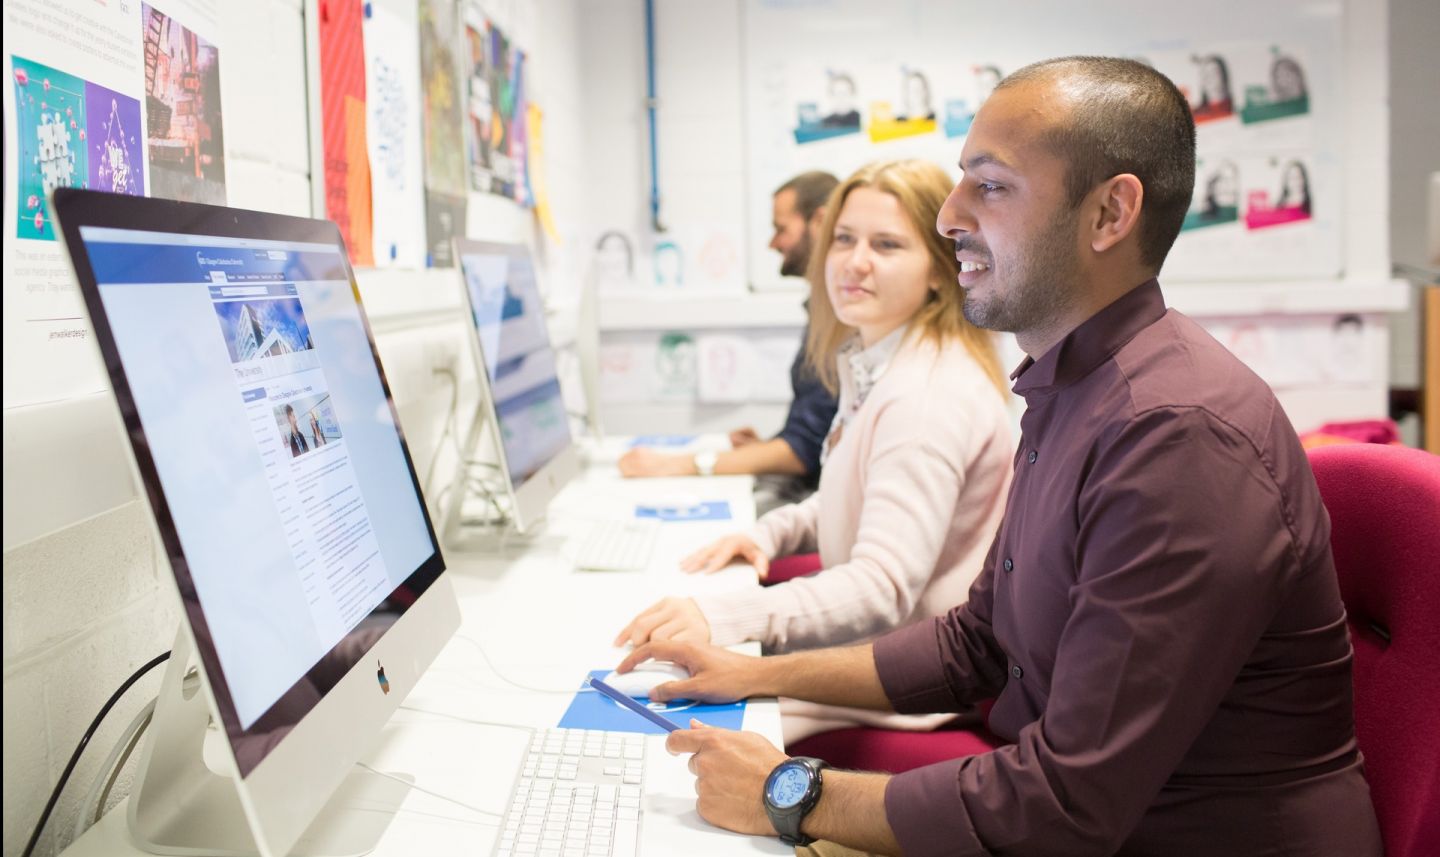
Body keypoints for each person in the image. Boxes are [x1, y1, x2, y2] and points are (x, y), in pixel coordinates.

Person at [616, 56, 1381, 857]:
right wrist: (753, 672)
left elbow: (1066, 805)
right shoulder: (1074, 388)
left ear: (1109, 213)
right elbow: (974, 642)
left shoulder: (1175, 437)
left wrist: (789, 793)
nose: (948, 216)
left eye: (990, 186)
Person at [616, 159, 1013, 743]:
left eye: (886, 245)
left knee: (658, 724)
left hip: (899, 690)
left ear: (938, 269)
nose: (855, 262)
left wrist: (722, 617)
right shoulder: (878, 359)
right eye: (845, 240)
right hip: (876, 662)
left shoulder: (923, 399)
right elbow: (849, 497)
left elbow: (881, 586)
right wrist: (767, 534)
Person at [620, 172, 842, 495]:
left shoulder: (841, 318)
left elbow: (802, 452)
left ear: (820, 222)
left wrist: (677, 465)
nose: (773, 243)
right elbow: (813, 436)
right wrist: (764, 449)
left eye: (781, 229)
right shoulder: (822, 311)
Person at [1191, 54, 1232, 120]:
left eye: (1214, 75)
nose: (1210, 82)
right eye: (1205, 77)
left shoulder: (1233, 108)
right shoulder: (1199, 115)